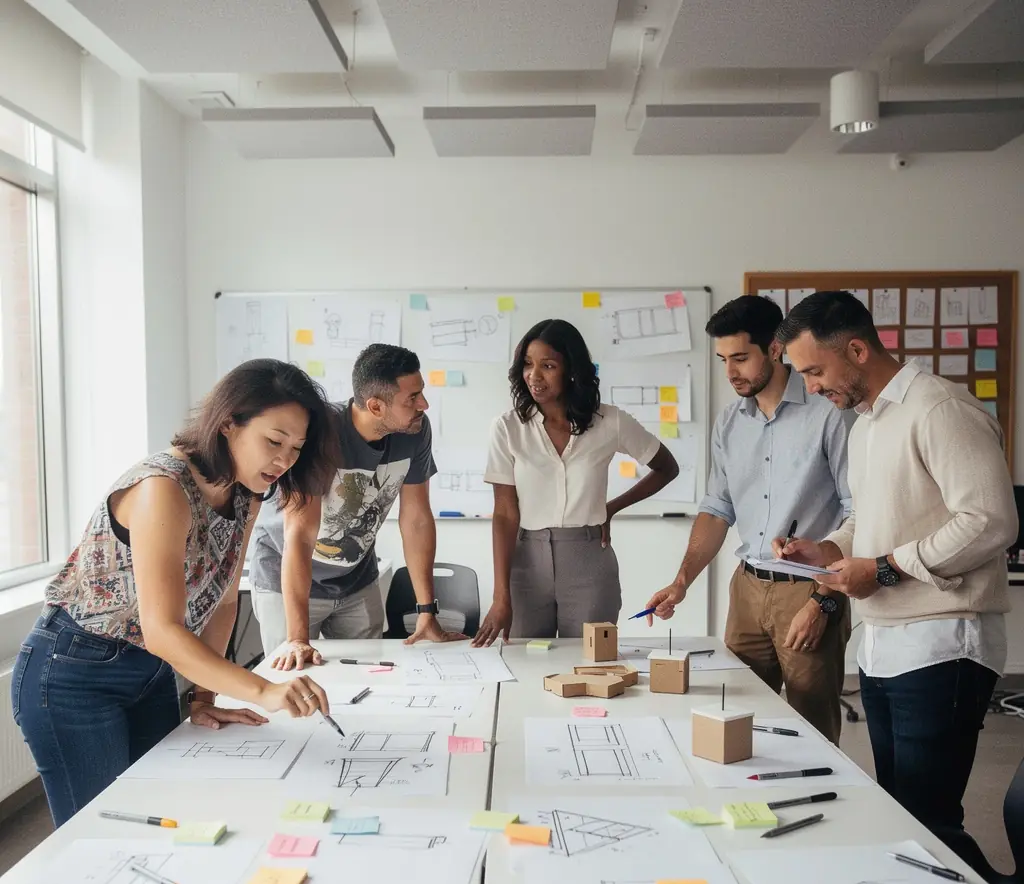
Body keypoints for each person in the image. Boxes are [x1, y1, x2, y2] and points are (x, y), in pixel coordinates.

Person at [12, 360, 340, 827]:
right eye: (274, 441)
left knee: (163, 813)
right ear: (229, 423)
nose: (284, 460)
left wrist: (205, 698)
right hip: (73, 673)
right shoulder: (163, 488)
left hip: (150, 671)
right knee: (103, 830)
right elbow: (163, 629)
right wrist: (263, 690)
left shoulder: (247, 492)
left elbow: (224, 601)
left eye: (295, 448)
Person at [776, 290, 1016, 834]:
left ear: (857, 350)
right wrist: (829, 548)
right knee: (902, 814)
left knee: (927, 821)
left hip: (944, 642)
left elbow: (989, 520)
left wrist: (884, 567)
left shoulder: (941, 408)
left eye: (815, 371)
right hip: (886, 642)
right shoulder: (866, 425)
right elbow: (872, 518)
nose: (810, 388)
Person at [645, 295, 852, 743]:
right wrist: (682, 580)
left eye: (740, 357)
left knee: (810, 730)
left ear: (775, 349)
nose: (730, 372)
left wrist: (824, 602)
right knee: (732, 718)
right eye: (723, 360)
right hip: (747, 588)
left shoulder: (831, 415)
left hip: (809, 588)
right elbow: (717, 508)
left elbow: (859, 514)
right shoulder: (729, 424)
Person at [251, 343, 464, 671]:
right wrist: (296, 638)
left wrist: (426, 613)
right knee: (294, 680)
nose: (423, 404)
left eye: (421, 393)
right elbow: (300, 537)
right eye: (412, 398)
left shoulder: (414, 431)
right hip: (288, 579)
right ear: (376, 406)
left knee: (368, 679)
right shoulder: (320, 432)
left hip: (356, 580)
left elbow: (416, 520)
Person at [472, 318, 679, 645]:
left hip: (589, 562)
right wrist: (501, 597)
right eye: (527, 364)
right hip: (526, 562)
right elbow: (505, 514)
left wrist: (611, 509)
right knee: (524, 667)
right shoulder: (508, 427)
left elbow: (667, 467)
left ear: (571, 369)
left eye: (548, 365)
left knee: (592, 666)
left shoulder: (610, 422)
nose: (534, 376)